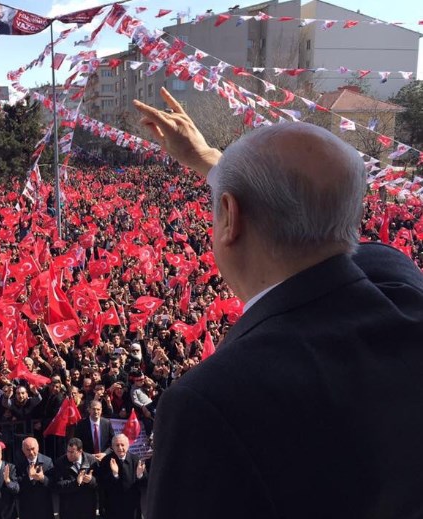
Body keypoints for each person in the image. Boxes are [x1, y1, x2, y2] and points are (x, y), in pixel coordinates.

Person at [134, 88, 423, 517]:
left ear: (229, 218)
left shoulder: (208, 403)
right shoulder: (407, 302)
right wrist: (218, 167)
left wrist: (224, 170)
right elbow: (353, 249)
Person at [97, 434, 145, 519]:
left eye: (122, 445)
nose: (120, 448)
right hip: (113, 507)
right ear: (112, 446)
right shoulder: (106, 461)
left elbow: (144, 484)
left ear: (128, 445)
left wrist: (140, 475)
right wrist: (114, 474)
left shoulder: (135, 460)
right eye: (117, 445)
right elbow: (102, 485)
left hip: (132, 506)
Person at [53, 438, 97, 519]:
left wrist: (91, 480)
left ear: (80, 451)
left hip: (87, 508)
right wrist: (76, 482)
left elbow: (99, 482)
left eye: (72, 452)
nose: (68, 454)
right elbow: (57, 485)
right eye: (68, 451)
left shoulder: (91, 460)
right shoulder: (60, 462)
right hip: (69, 509)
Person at [15, 438, 54, 519]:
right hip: (27, 507)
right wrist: (29, 477)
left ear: (38, 447)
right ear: (23, 450)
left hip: (44, 506)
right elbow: (17, 485)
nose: (31, 452)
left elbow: (53, 483)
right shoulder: (19, 463)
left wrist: (42, 478)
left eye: (33, 449)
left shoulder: (47, 461)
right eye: (28, 450)